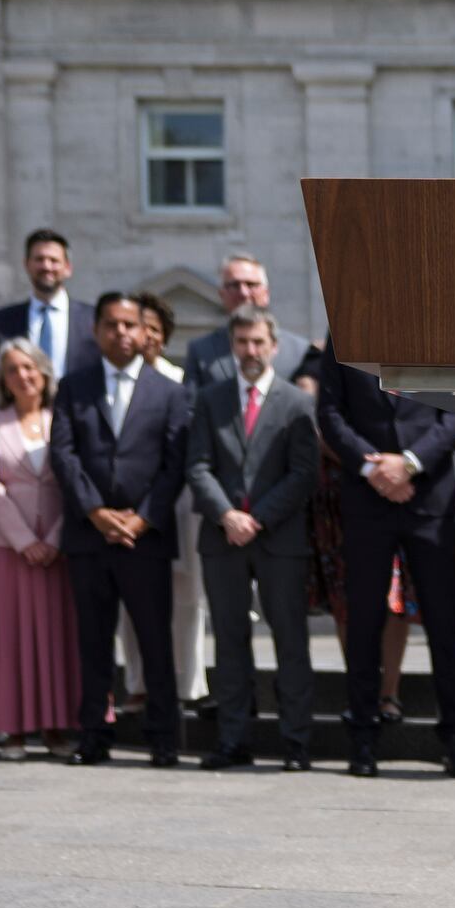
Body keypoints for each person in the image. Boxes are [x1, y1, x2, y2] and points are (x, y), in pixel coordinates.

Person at [314, 347, 455, 779]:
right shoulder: (343, 338)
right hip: (369, 498)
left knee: (443, 627)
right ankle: (363, 738)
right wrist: (376, 471)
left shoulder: (433, 331)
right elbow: (330, 415)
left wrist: (409, 464)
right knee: (364, 620)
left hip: (430, 500)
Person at [49, 292, 192, 767]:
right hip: (89, 536)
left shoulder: (170, 391)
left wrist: (142, 517)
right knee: (93, 641)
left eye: (130, 325)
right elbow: (64, 456)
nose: (121, 333)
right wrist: (95, 512)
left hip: (145, 537)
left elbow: (175, 465)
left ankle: (163, 736)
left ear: (143, 331)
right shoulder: (74, 386)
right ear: (97, 330)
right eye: (111, 324)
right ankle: (94, 734)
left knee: (155, 640)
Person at [185, 306, 321, 772]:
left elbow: (304, 473)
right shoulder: (210, 399)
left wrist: (255, 518)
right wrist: (226, 515)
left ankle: (296, 741)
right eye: (242, 342)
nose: (250, 350)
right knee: (229, 639)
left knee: (290, 638)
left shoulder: (297, 403)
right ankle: (233, 740)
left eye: (258, 342)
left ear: (274, 346)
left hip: (279, 538)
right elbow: (197, 465)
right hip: (222, 539)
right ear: (232, 346)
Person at [0, 338, 77, 759]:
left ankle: (55, 728)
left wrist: (56, 538)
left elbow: (76, 484)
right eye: (12, 369)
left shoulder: (64, 420)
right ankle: (11, 730)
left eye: (29, 368)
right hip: (6, 548)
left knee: (55, 637)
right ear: (4, 380)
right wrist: (25, 541)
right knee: (8, 639)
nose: (22, 376)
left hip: (58, 549)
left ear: (44, 373)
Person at [128, 295, 209, 716]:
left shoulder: (180, 381)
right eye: (138, 327)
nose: (146, 337)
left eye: (154, 330)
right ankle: (138, 682)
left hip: (178, 505)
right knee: (135, 600)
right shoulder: (115, 383)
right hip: (131, 510)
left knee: (186, 598)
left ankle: (188, 684)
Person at [185, 252, 313, 385]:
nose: (243, 293)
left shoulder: (299, 351)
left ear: (266, 293)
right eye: (234, 285)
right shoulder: (201, 351)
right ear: (222, 294)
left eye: (251, 285)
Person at [0, 228, 97, 379]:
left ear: (68, 268)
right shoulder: (1, 322)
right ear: (26, 264)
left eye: (54, 260)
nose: (46, 266)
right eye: (39, 259)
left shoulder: (92, 319)